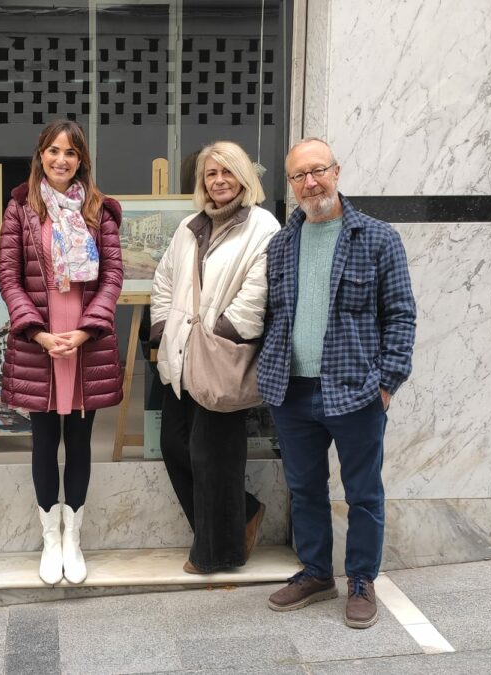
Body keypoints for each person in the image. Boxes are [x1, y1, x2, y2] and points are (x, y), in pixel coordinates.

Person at [260, 137, 416, 628]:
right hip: (293, 390)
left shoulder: (377, 238)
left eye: (318, 171)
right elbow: (273, 316)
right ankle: (315, 572)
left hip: (356, 391)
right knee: (305, 489)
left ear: (337, 171)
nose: (310, 182)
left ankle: (362, 579)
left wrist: (385, 382)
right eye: (299, 176)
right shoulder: (282, 243)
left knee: (362, 492)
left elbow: (402, 316)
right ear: (290, 185)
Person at [0, 119, 123, 585]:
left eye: (70, 153)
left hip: (85, 342)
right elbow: (9, 277)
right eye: (53, 151)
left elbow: (112, 278)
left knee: (80, 443)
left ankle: (74, 538)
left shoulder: (101, 211)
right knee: (44, 441)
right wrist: (37, 332)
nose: (60, 160)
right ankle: (51, 539)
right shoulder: (20, 209)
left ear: (81, 160)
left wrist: (88, 331)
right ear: (40, 155)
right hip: (42, 343)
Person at [150, 141, 280, 575]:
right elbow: (164, 280)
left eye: (227, 172)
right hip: (181, 354)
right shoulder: (189, 226)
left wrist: (221, 333)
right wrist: (162, 328)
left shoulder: (263, 226)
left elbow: (258, 292)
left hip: (222, 356)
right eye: (211, 174)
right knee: (175, 445)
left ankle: (217, 551)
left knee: (214, 454)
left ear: (244, 177)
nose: (219, 181)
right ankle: (242, 514)